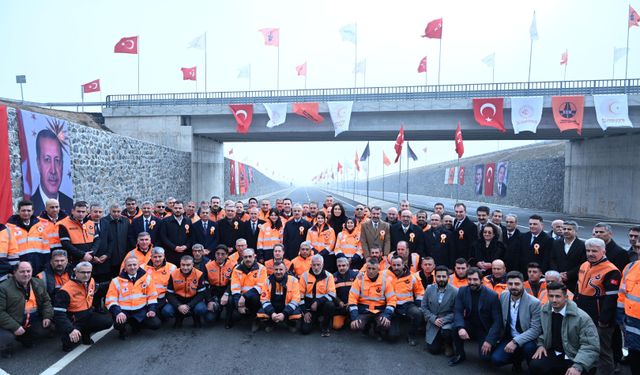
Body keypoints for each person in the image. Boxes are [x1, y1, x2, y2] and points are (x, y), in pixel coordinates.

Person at [530, 282, 599, 375]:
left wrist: (578, 366)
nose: (554, 300)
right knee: (535, 365)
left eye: (558, 296)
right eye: (551, 296)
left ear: (566, 297)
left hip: (575, 356)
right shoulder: (545, 311)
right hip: (555, 353)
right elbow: (542, 332)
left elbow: (590, 346)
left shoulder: (582, 318)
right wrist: (541, 345)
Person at [575, 237, 621, 375]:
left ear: (603, 251)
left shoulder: (611, 270)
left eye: (594, 251)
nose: (590, 253)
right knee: (585, 346)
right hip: (583, 315)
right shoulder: (584, 265)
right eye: (588, 250)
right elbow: (578, 289)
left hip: (601, 318)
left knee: (602, 351)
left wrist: (604, 320)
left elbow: (611, 299)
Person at [53, 262, 112, 352]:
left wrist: (113, 282)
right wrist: (70, 330)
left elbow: (99, 288)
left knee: (107, 322)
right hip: (74, 320)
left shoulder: (91, 281)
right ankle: (72, 335)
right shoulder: (65, 290)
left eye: (88, 272)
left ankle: (85, 332)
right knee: (68, 344)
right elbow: (59, 314)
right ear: (76, 272)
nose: (86, 275)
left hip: (88, 315)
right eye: (83, 272)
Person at [450, 267, 502, 366]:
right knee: (455, 327)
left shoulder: (492, 295)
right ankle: (460, 354)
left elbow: (497, 321)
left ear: (481, 280)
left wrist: (489, 341)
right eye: (469, 279)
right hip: (470, 325)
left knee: (485, 358)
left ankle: (496, 345)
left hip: (484, 328)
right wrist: (461, 328)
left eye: (475, 279)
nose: (472, 282)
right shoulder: (462, 291)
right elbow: (458, 311)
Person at [491, 271, 541, 372]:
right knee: (496, 360)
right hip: (509, 336)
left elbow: (536, 329)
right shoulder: (504, 296)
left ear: (523, 284)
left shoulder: (534, 303)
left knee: (529, 349)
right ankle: (517, 361)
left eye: (517, 284)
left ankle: (531, 367)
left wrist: (515, 341)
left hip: (527, 338)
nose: (513, 286)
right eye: (510, 284)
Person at [0, 262, 53, 357]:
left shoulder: (38, 282)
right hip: (12, 321)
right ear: (14, 272)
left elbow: (46, 301)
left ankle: (24, 337)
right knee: (6, 338)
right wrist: (15, 326)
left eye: (28, 271)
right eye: (22, 271)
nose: (26, 274)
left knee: (47, 328)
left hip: (31, 320)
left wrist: (47, 316)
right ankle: (5, 347)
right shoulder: (3, 288)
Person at [106, 257, 160, 339]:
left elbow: (152, 296)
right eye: (129, 265)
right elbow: (110, 300)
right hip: (124, 311)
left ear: (138, 266)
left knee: (156, 324)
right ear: (125, 267)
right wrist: (118, 312)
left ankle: (137, 325)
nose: (132, 267)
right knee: (118, 324)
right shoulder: (116, 281)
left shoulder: (147, 278)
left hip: (141, 310)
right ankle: (122, 330)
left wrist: (151, 310)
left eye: (134, 265)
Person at [348, 257, 396, 341]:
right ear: (366, 268)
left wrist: (386, 315)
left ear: (378, 269)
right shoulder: (359, 280)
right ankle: (366, 326)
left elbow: (392, 300)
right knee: (356, 326)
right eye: (369, 268)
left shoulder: (385, 281)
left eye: (373, 269)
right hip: (364, 311)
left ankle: (377, 329)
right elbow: (352, 299)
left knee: (385, 324)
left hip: (379, 311)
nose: (370, 271)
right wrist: (354, 317)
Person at [30, 129, 73, 215]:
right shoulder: (30, 208)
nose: (53, 170)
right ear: (38, 163)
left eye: (57, 160)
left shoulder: (70, 204)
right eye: (47, 160)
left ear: (62, 164)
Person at [6, 200, 50, 274]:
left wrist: (45, 266)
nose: (26, 213)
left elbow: (45, 248)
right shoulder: (9, 227)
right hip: (19, 269)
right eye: (23, 210)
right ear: (18, 211)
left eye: (28, 210)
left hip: (39, 268)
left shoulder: (40, 225)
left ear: (32, 211)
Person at [227, 248, 267, 330]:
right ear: (242, 257)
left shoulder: (262, 268)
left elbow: (260, 286)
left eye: (250, 256)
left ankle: (255, 319)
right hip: (240, 295)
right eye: (245, 257)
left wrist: (244, 297)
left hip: (254, 295)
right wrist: (239, 305)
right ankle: (229, 320)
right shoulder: (236, 269)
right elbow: (235, 287)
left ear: (254, 256)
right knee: (230, 300)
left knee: (255, 299)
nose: (248, 259)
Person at [256, 261, 302, 333]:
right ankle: (271, 324)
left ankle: (290, 324)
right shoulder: (267, 281)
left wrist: (284, 313)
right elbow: (264, 299)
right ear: (273, 270)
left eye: (281, 269)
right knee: (261, 314)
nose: (278, 272)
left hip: (286, 307)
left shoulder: (293, 280)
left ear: (285, 270)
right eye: (276, 269)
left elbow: (296, 299)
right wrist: (272, 313)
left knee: (296, 315)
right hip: (273, 307)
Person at [163, 255, 207, 328]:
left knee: (201, 309)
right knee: (166, 311)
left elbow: (202, 293)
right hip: (178, 299)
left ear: (193, 265)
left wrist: (189, 306)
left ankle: (196, 318)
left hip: (193, 299)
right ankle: (179, 318)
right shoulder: (173, 274)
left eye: (188, 265)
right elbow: (169, 294)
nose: (185, 267)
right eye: (183, 265)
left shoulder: (199, 274)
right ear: (180, 264)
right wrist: (178, 305)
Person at [388, 256, 424, 345]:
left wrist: (419, 305)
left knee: (417, 313)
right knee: (392, 337)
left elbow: (420, 292)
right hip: (391, 306)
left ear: (403, 265)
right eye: (394, 265)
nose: (396, 267)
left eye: (398, 265)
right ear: (391, 265)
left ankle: (411, 335)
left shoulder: (412, 276)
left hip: (407, 304)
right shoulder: (384, 275)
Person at [423, 265, 458, 357]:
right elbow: (424, 307)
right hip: (433, 322)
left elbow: (457, 311)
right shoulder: (429, 289)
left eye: (443, 276)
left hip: (447, 322)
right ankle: (438, 341)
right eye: (438, 276)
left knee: (446, 331)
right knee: (434, 350)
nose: (441, 279)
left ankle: (448, 344)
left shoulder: (455, 291)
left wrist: (443, 320)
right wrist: (433, 319)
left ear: (448, 277)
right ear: (435, 277)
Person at [299, 255, 336, 337]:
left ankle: (325, 326)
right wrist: (305, 312)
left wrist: (317, 302)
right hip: (309, 308)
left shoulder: (329, 276)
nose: (316, 267)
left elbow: (332, 294)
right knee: (304, 330)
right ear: (311, 265)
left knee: (330, 305)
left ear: (322, 265)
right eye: (314, 265)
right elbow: (299, 296)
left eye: (318, 265)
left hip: (323, 306)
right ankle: (316, 320)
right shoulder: (304, 276)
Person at [58, 201, 100, 265]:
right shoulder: (64, 224)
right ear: (72, 211)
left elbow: (97, 240)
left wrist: (91, 254)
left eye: (83, 212)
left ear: (86, 212)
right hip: (74, 261)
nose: (81, 214)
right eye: (78, 211)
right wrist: (83, 255)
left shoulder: (90, 223)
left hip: (89, 259)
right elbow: (66, 244)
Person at [549, 221, 586, 294]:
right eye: (564, 229)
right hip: (558, 280)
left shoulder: (582, 245)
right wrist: (558, 274)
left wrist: (568, 275)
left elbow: (583, 264)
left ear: (575, 231)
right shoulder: (556, 243)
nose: (566, 231)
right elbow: (552, 259)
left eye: (569, 229)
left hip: (574, 281)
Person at [618, 258, 640, 374]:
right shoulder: (630, 267)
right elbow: (622, 294)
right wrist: (620, 316)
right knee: (634, 358)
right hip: (632, 324)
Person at [142, 247, 176, 317]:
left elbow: (175, 286)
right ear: (151, 257)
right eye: (155, 257)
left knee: (167, 311)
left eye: (160, 256)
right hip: (148, 298)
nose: (157, 259)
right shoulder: (142, 268)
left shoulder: (172, 267)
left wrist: (170, 298)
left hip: (165, 298)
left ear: (164, 256)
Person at [205, 245, 234, 324]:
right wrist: (209, 301)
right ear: (215, 254)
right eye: (218, 254)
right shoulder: (208, 266)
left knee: (231, 303)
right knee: (209, 319)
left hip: (228, 290)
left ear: (227, 255)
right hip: (214, 291)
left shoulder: (233, 265)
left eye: (223, 254)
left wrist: (227, 293)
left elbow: (233, 283)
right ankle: (218, 310)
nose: (220, 256)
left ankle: (229, 319)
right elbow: (205, 286)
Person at [99, 203, 130, 278]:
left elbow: (128, 237)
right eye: (114, 211)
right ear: (110, 211)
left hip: (123, 257)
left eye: (118, 211)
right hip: (109, 258)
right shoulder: (103, 221)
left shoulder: (126, 221)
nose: (116, 214)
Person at [159, 200, 192, 266]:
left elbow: (191, 236)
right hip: (170, 254)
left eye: (180, 208)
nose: (178, 210)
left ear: (183, 209)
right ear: (172, 209)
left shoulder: (188, 220)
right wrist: (174, 247)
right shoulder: (165, 221)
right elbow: (163, 237)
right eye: (176, 208)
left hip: (185, 253)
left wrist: (186, 246)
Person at [332, 257, 358, 330]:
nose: (341, 268)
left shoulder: (355, 275)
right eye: (339, 266)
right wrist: (339, 302)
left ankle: (350, 318)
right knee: (336, 326)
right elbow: (331, 293)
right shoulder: (333, 277)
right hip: (340, 306)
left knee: (356, 326)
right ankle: (345, 319)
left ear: (348, 265)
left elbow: (359, 292)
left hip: (353, 305)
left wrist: (351, 302)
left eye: (343, 265)